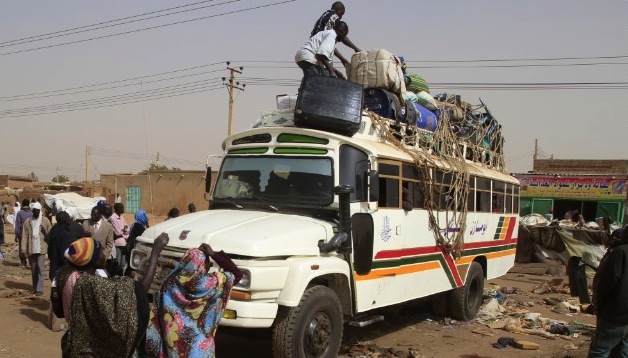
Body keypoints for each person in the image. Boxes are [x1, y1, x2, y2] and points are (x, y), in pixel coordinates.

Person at [54, 233, 170, 357]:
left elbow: (58, 309)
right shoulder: (92, 284)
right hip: (90, 351)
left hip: (75, 346)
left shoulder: (71, 276)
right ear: (92, 260)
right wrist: (155, 254)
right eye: (101, 252)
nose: (105, 255)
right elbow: (140, 291)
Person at [144, 243, 242, 357]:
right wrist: (214, 254)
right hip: (199, 351)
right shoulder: (210, 285)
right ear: (203, 265)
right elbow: (237, 274)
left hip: (172, 350)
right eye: (208, 263)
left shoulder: (169, 283)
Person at [589, 228, 628, 356]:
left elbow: (607, 284)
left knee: (599, 351)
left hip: (616, 312)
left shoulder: (620, 252)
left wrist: (599, 306)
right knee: (622, 351)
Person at [310, 2, 360, 66]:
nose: (341, 17)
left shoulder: (325, 16)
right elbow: (340, 37)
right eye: (341, 14)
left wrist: (342, 58)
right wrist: (355, 48)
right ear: (338, 10)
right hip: (317, 53)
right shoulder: (333, 17)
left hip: (311, 50)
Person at [20, 202, 52, 295]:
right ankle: (35, 287)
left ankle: (39, 289)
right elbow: (24, 236)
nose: (36, 213)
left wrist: (44, 231)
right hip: (31, 248)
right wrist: (23, 250)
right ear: (32, 211)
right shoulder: (28, 221)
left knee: (40, 268)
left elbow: (50, 234)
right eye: (34, 211)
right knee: (34, 269)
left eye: (38, 211)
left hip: (42, 249)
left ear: (40, 211)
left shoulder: (45, 221)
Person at [46, 211, 84, 281]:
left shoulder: (55, 229)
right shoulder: (71, 230)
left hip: (57, 265)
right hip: (68, 264)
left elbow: (48, 242)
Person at [124, 210, 150, 277]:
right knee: (134, 267)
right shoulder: (139, 226)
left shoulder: (136, 224)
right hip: (135, 250)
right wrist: (147, 225)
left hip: (131, 248)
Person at [110, 203, 129, 275]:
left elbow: (128, 228)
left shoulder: (122, 217)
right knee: (118, 261)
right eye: (121, 207)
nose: (123, 209)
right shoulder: (113, 218)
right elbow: (118, 232)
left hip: (124, 241)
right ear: (116, 209)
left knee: (123, 263)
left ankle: (121, 276)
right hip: (118, 242)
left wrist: (124, 230)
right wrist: (124, 230)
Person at [15, 199, 33, 267]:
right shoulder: (32, 213)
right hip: (30, 233)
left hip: (21, 233)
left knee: (22, 247)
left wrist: (16, 235)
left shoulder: (20, 213)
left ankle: (23, 261)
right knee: (30, 246)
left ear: (22, 204)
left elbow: (17, 225)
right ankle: (31, 262)